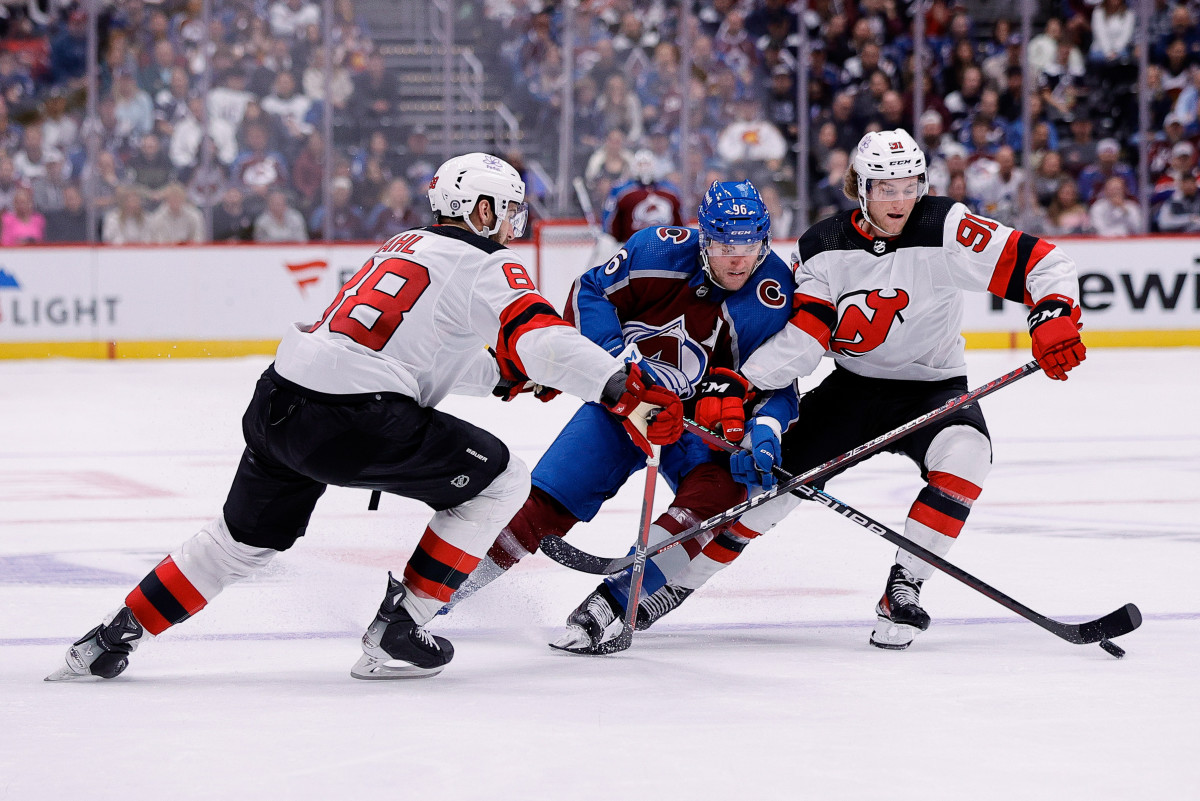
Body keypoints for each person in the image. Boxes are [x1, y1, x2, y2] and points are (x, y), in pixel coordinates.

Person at [46, 152, 684, 683]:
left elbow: (410, 349)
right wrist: (615, 384)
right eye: (508, 207)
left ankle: (108, 639)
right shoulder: (487, 262)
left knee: (237, 542)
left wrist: (501, 378)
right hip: (353, 419)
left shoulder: (403, 244)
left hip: (278, 401)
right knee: (501, 480)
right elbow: (541, 337)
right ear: (481, 210)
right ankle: (400, 628)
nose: (515, 222)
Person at [590, 129, 1087, 652]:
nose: (900, 199)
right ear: (861, 187)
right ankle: (671, 590)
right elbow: (807, 338)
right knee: (769, 492)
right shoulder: (822, 245)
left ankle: (906, 587)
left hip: (933, 388)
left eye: (909, 185)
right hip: (853, 390)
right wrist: (746, 383)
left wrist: (1053, 313)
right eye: (886, 187)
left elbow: (1044, 263)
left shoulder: (948, 226)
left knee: (968, 455)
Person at [443, 180, 800, 654]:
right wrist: (612, 367)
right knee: (543, 504)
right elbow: (590, 291)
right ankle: (441, 591)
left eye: (749, 244)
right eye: (723, 245)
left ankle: (612, 603)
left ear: (766, 239)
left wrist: (765, 426)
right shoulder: (657, 251)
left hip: (698, 424)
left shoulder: (775, 293)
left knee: (716, 500)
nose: (738, 259)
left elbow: (782, 379)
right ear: (703, 236)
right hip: (625, 405)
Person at [600, 148, 684, 243]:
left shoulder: (670, 191)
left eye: (647, 164)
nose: (644, 168)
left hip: (664, 246)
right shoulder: (620, 191)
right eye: (641, 164)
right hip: (631, 246)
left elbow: (680, 225)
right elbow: (609, 223)